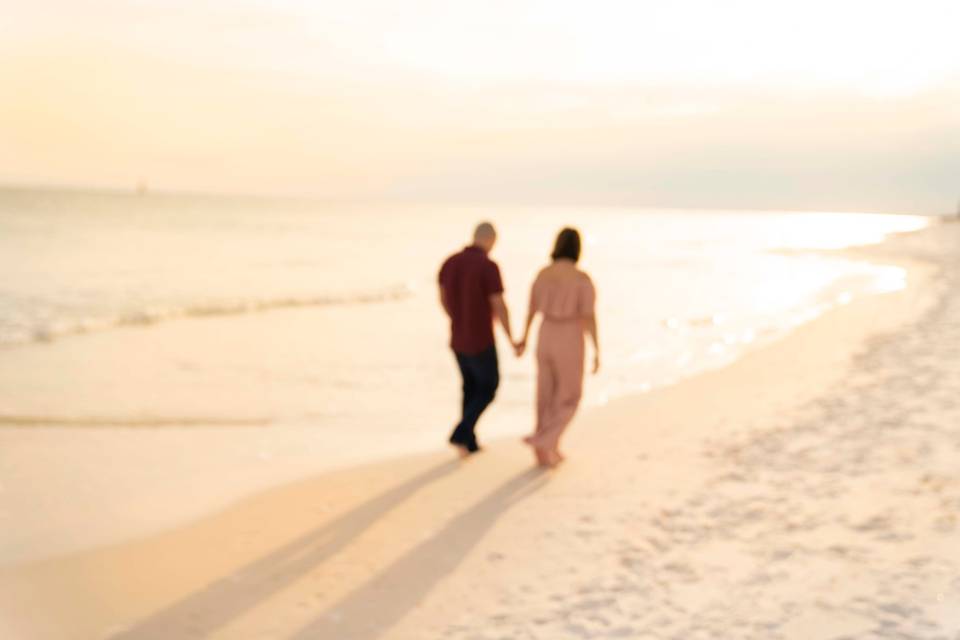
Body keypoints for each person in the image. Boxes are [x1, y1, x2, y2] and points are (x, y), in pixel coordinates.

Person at [515, 227, 599, 468]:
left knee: (545, 393)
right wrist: (596, 349)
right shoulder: (581, 278)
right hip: (569, 334)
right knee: (570, 396)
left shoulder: (542, 274)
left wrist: (524, 337)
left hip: (545, 332)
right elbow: (589, 316)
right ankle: (546, 440)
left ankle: (546, 448)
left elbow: (531, 309)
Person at [439, 222, 517, 457]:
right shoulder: (488, 266)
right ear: (491, 239)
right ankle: (461, 432)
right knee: (489, 386)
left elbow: (442, 298)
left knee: (470, 387)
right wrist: (511, 338)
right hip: (480, 337)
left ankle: (469, 441)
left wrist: (456, 318)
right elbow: (499, 305)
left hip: (458, 336)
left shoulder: (450, 262)